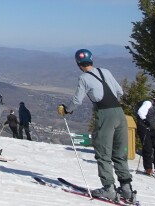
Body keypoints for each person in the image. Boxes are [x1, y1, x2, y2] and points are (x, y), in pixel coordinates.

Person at [57, 49, 134, 203]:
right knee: (119, 153)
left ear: (78, 64)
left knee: (103, 152)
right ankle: (127, 190)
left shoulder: (84, 78)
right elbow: (120, 91)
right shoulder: (105, 71)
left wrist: (67, 109)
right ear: (92, 60)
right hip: (119, 112)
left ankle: (109, 189)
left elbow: (77, 100)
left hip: (105, 114)